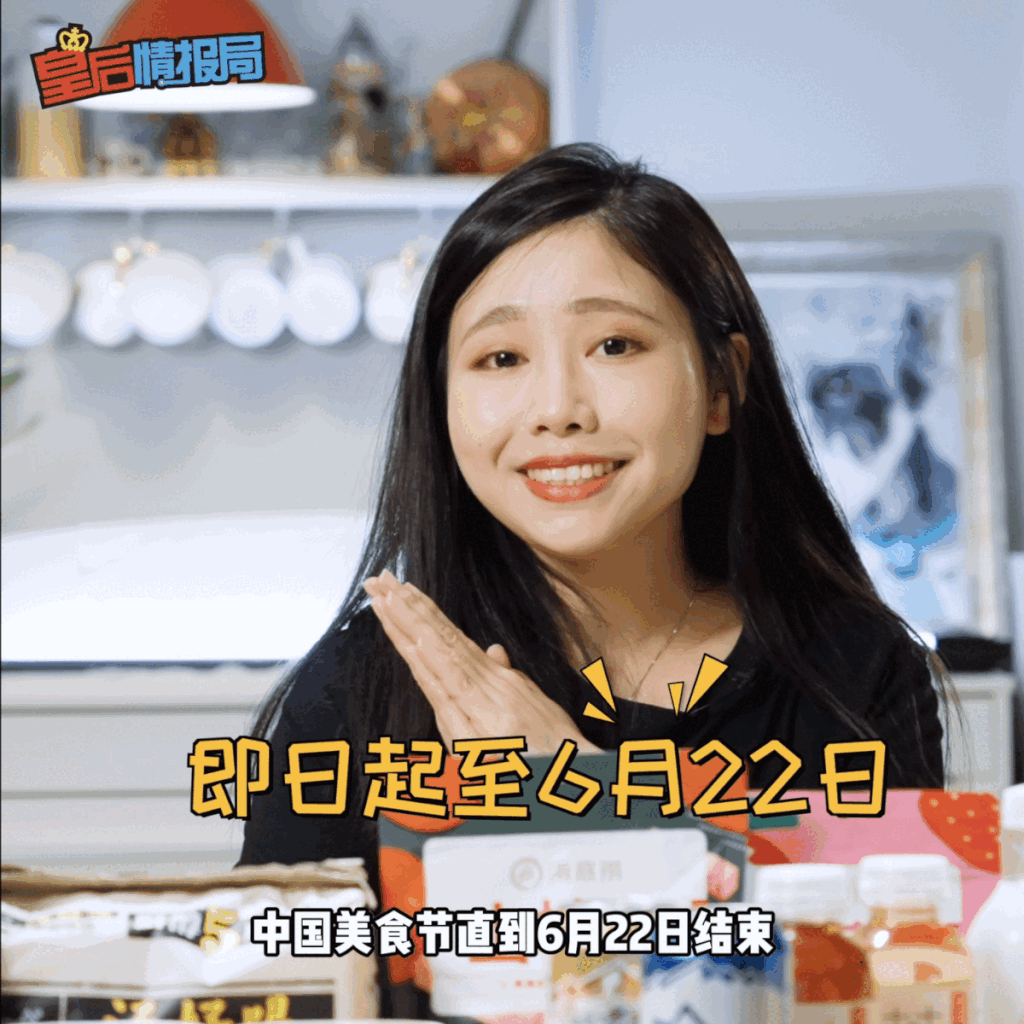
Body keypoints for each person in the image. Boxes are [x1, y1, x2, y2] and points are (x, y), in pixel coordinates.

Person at [239, 144, 949, 901]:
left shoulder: (856, 674)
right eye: (501, 358)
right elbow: (274, 962)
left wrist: (584, 793)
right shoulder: (362, 687)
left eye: (615, 346)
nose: (558, 410)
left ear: (721, 382)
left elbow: (885, 957)